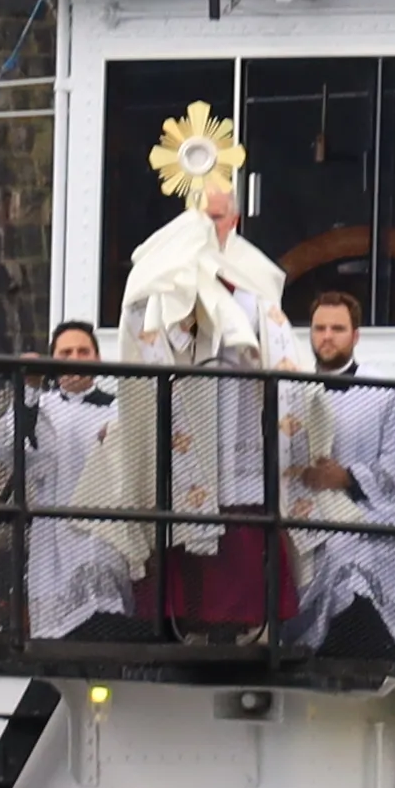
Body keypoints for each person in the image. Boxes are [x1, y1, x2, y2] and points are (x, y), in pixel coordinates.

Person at [108, 103, 292, 635]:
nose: (216, 226)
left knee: (238, 530)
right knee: (177, 529)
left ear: (236, 218)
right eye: (206, 217)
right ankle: (174, 624)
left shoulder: (254, 271)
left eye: (223, 216)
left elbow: (274, 339)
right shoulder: (164, 268)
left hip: (234, 415)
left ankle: (240, 628)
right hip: (185, 413)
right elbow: (143, 329)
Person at [283, 291, 395, 674]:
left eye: (337, 328)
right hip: (298, 530)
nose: (327, 337)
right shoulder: (287, 389)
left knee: (355, 605)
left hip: (365, 533)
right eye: (319, 328)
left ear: (356, 335)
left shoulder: (384, 395)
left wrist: (347, 476)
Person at [19, 320, 140, 639]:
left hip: (104, 530)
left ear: (97, 359)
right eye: (66, 352)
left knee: (104, 623)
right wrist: (29, 389)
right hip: (53, 528)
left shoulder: (119, 410)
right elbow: (13, 450)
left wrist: (117, 437)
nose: (74, 358)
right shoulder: (39, 408)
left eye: (83, 351)